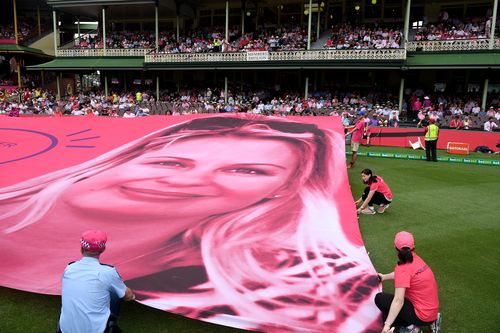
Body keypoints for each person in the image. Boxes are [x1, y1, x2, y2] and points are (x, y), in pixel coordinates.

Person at [0, 116, 380, 333]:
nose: (185, 180)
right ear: (119, 159)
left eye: (245, 170)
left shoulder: (254, 288)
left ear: (277, 194)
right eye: (170, 162)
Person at [58, 230, 135, 333]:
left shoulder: (69, 268)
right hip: (96, 330)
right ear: (103, 249)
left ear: (81, 248)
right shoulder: (108, 272)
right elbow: (128, 296)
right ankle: (112, 322)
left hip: (64, 330)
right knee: (115, 292)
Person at [375, 231, 441, 333]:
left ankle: (412, 328)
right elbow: (405, 275)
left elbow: (398, 301)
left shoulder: (403, 269)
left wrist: (387, 326)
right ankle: (433, 321)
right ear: (413, 246)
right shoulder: (417, 259)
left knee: (380, 299)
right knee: (393, 307)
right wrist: (384, 277)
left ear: (395, 246)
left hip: (422, 316)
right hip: (432, 311)